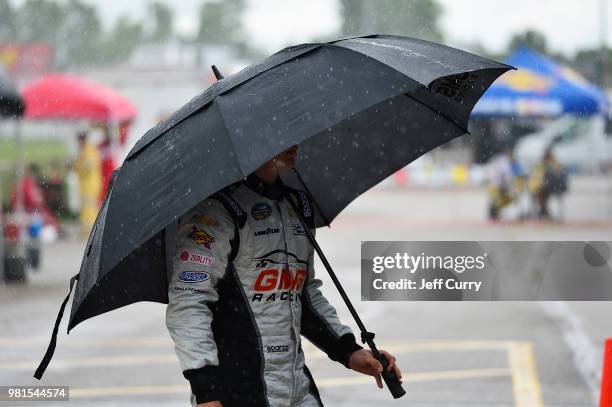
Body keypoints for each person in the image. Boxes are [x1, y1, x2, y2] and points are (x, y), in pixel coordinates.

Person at [166, 145, 401, 407]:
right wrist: (206, 392)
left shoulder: (298, 205)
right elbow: (188, 304)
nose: (294, 145)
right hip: (237, 391)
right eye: (276, 138)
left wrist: (350, 352)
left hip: (296, 387)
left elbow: (304, 296)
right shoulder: (214, 212)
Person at [73, 131, 102, 235]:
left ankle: (90, 230)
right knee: (87, 206)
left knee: (89, 206)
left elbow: (88, 166)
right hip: (87, 184)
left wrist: (77, 167)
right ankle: (88, 229)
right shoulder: (86, 150)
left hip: (90, 184)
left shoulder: (88, 151)